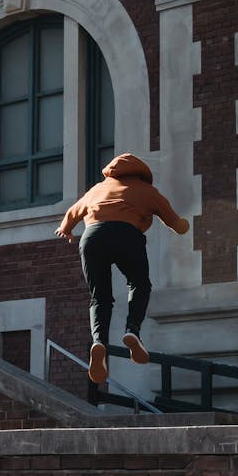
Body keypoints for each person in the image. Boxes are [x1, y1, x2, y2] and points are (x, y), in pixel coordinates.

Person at [55, 153, 189, 384]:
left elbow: (72, 213)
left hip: (92, 237)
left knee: (100, 298)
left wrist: (66, 229)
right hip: (127, 235)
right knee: (139, 284)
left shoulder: (97, 189)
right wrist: (184, 225)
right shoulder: (147, 191)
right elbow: (176, 223)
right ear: (142, 174)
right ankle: (132, 331)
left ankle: (99, 343)